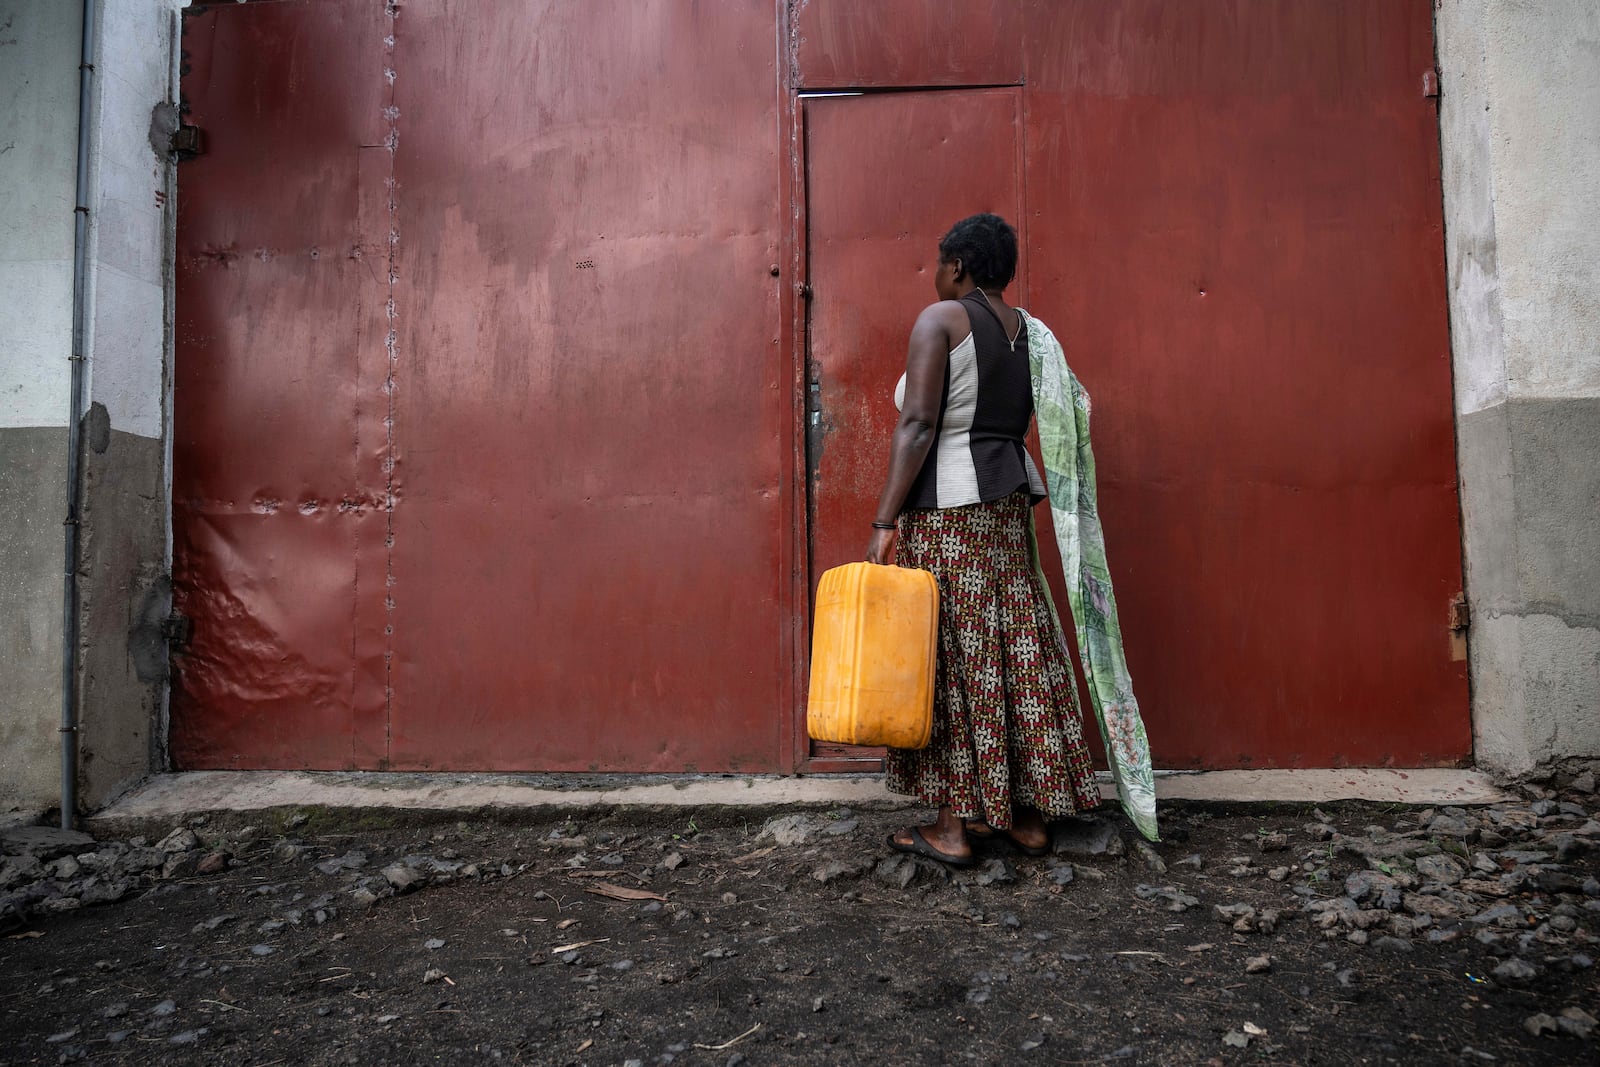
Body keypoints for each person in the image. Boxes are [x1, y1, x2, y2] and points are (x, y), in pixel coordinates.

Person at [867, 213, 1103, 866]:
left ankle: (951, 827)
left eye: (940, 265)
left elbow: (916, 425)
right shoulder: (1032, 333)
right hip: (1005, 508)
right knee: (1012, 643)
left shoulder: (940, 321)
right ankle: (1025, 816)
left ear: (961, 267)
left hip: (949, 510)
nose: (936, 277)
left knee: (952, 654)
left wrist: (884, 520)